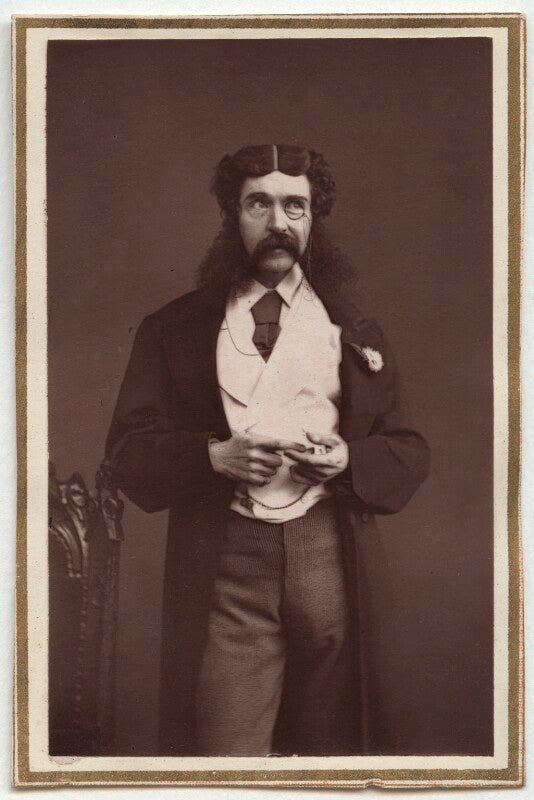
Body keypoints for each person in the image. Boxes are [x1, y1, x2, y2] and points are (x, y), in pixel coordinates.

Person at [106, 144, 431, 757]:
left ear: (312, 219)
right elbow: (126, 452)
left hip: (330, 562)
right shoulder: (174, 328)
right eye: (259, 204)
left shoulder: (355, 329)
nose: (278, 222)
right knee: (227, 759)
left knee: (333, 760)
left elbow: (407, 447)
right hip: (229, 571)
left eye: (294, 206)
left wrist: (346, 460)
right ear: (232, 215)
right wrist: (212, 457)